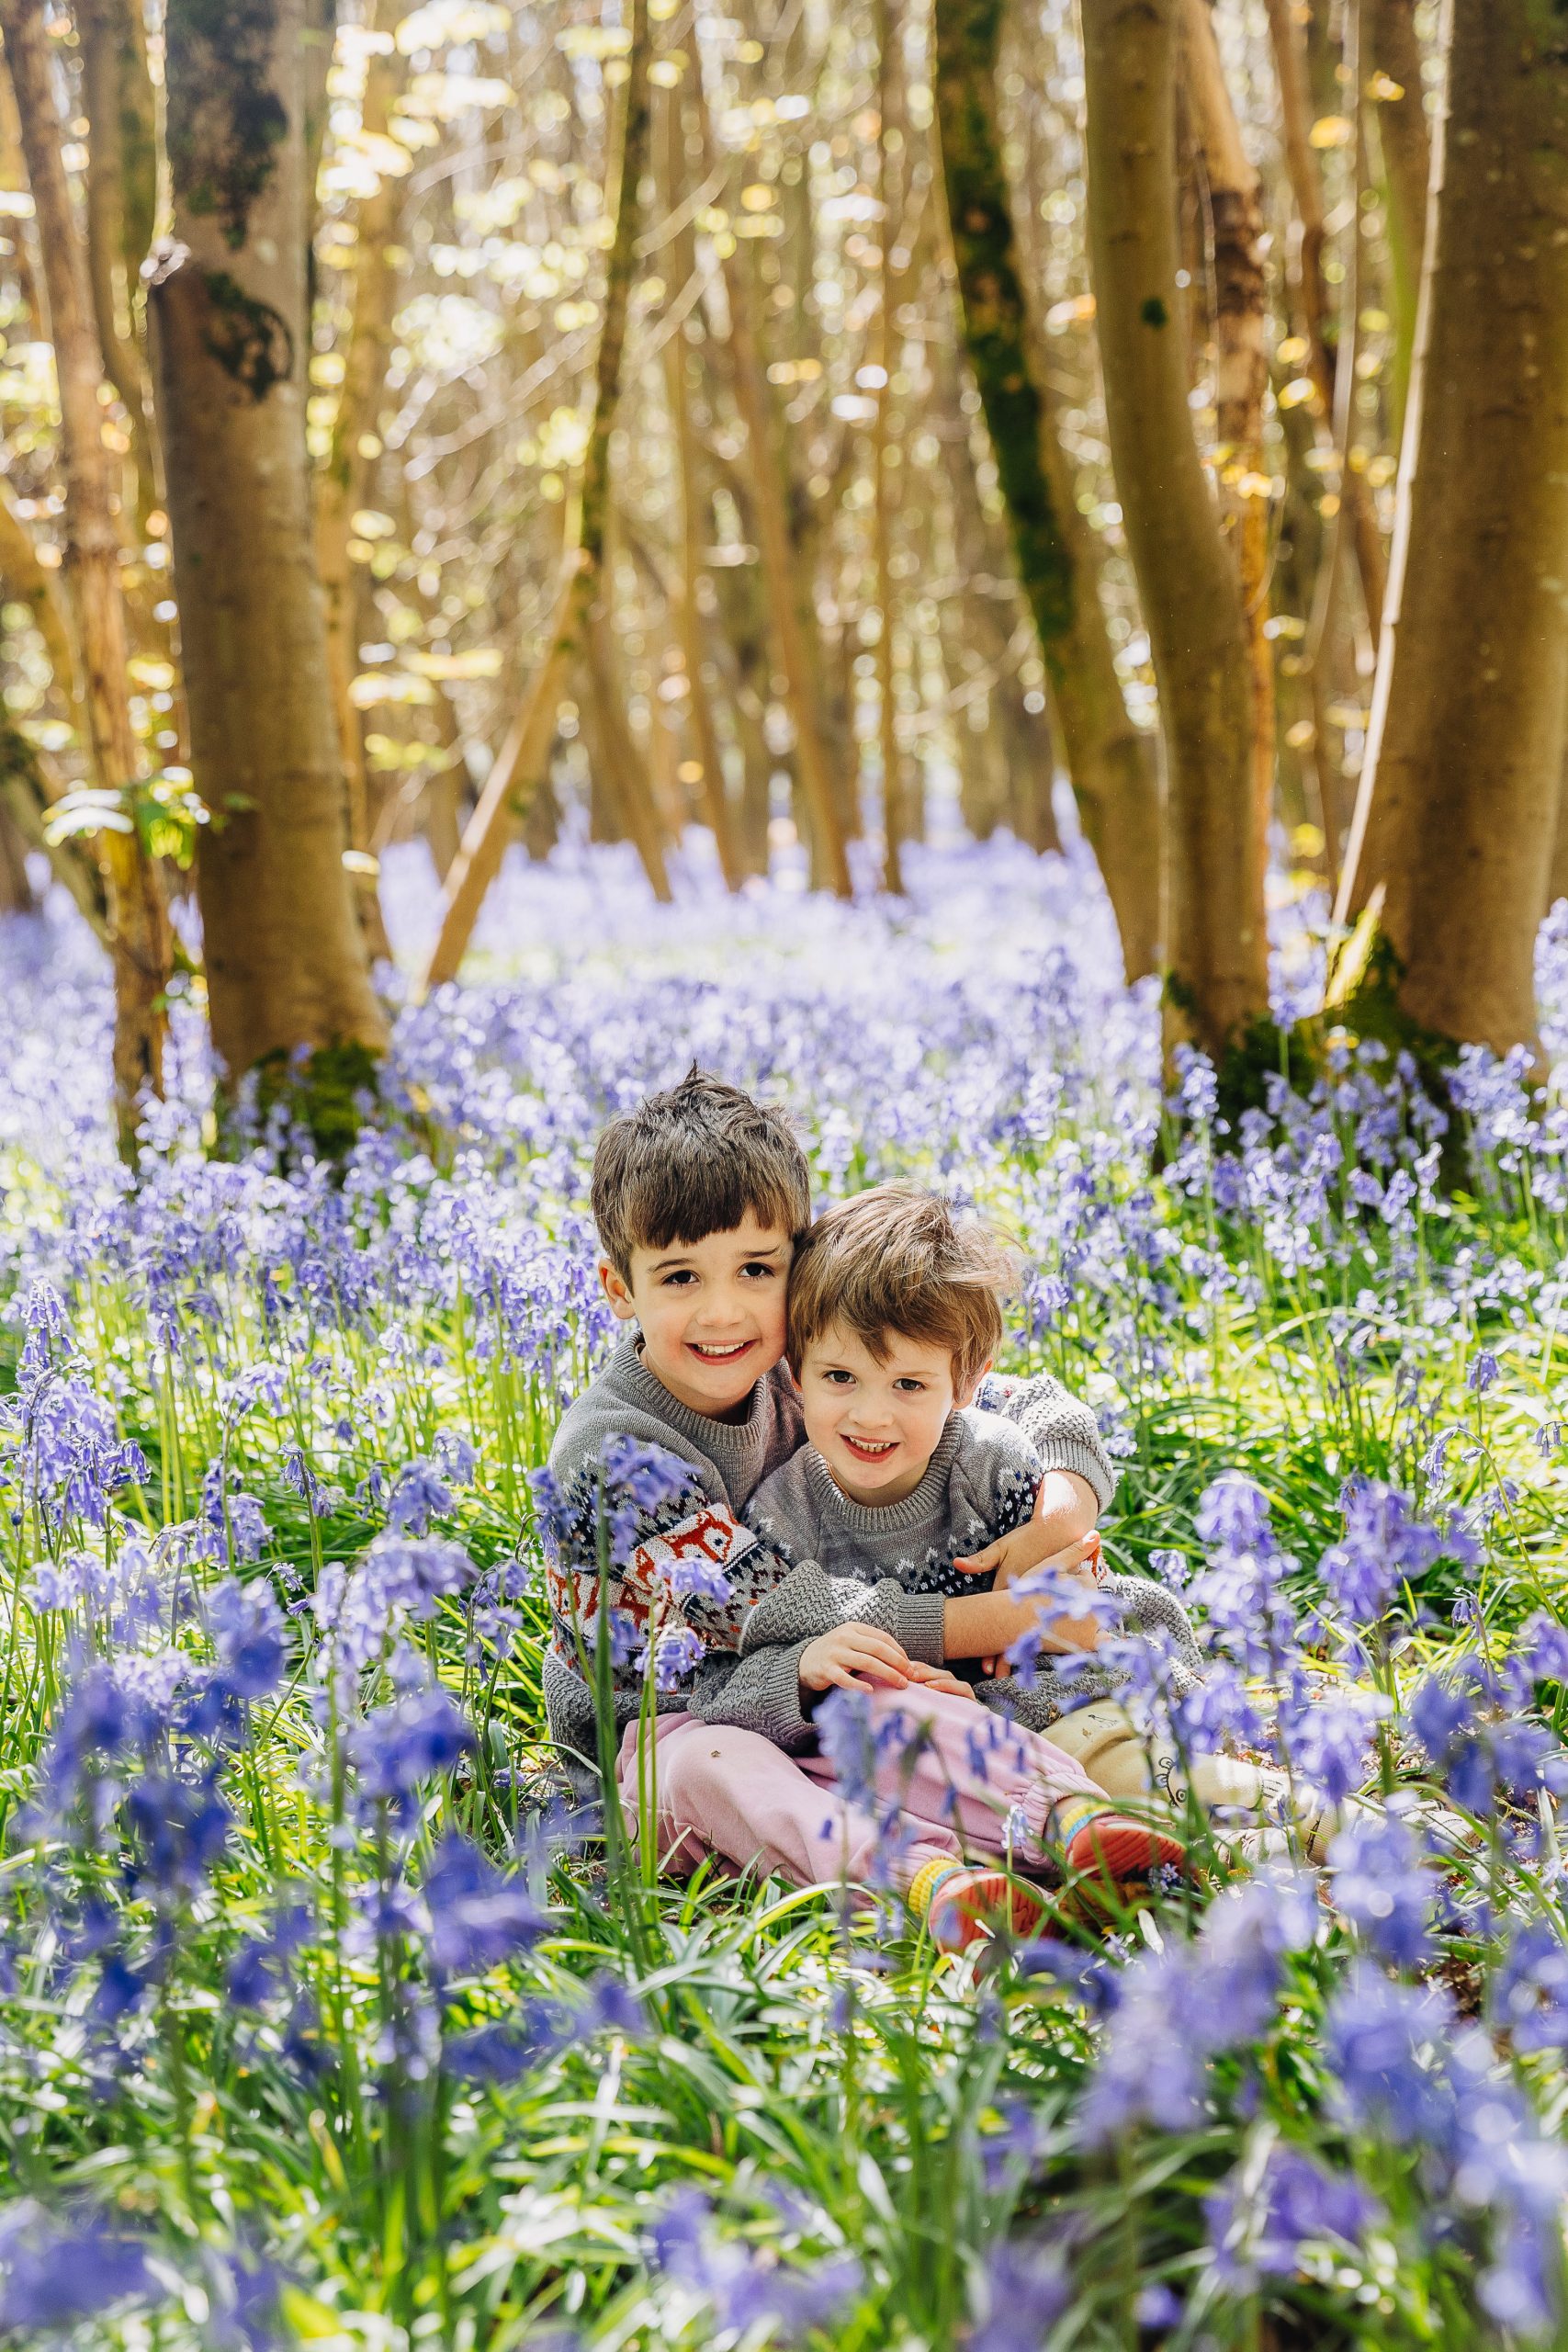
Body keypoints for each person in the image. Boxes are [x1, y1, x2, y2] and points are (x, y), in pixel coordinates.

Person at [536, 1071, 1183, 1945]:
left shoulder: (801, 1367)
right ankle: (919, 1882)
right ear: (620, 1289)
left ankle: (1066, 1821)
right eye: (680, 1276)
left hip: (817, 1675)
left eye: (757, 1270)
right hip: (665, 1726)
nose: (723, 1311)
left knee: (879, 1690)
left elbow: (999, 1399)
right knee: (721, 1765)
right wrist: (1012, 1619)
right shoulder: (611, 1453)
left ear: (796, 1269)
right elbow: (780, 1604)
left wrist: (1061, 1508)